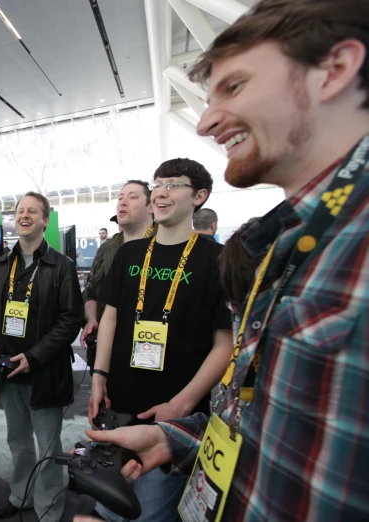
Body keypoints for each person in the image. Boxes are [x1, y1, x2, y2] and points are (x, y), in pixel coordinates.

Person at [77, 1, 369, 520]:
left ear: (335, 71)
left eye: (235, 86)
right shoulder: (284, 248)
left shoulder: (342, 248)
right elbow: (266, 428)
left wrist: (184, 405)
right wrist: (179, 439)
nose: (207, 120)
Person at [88, 159, 233, 522]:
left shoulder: (216, 260)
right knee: (107, 505)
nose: (162, 192)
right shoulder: (130, 254)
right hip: (118, 408)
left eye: (174, 184)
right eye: (158, 184)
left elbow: (225, 344)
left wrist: (181, 406)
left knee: (151, 512)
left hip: (172, 421)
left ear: (199, 196)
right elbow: (111, 316)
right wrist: (98, 377)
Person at [0, 191, 83, 521]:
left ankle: (48, 508)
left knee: (48, 448)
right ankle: (20, 494)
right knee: (18, 442)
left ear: (44, 220)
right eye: (20, 211)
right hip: (8, 372)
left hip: (44, 373)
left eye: (32, 211)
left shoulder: (61, 267)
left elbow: (71, 320)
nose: (24, 215)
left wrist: (33, 356)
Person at [81, 181, 157, 358]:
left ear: (151, 207)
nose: (123, 202)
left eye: (133, 197)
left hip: (151, 346)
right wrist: (92, 319)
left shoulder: (166, 243)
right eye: (120, 198)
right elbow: (91, 292)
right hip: (108, 349)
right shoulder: (107, 249)